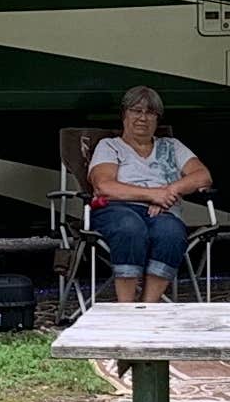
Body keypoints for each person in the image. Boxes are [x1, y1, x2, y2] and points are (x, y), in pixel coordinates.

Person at [85, 87, 210, 303]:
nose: (143, 117)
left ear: (157, 119)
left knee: (170, 232)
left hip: (162, 210)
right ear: (124, 114)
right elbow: (104, 186)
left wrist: (169, 191)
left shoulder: (172, 146)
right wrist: (152, 194)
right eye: (136, 110)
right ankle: (126, 307)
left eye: (150, 113)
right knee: (130, 227)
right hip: (117, 209)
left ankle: (147, 308)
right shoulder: (110, 146)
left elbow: (203, 176)